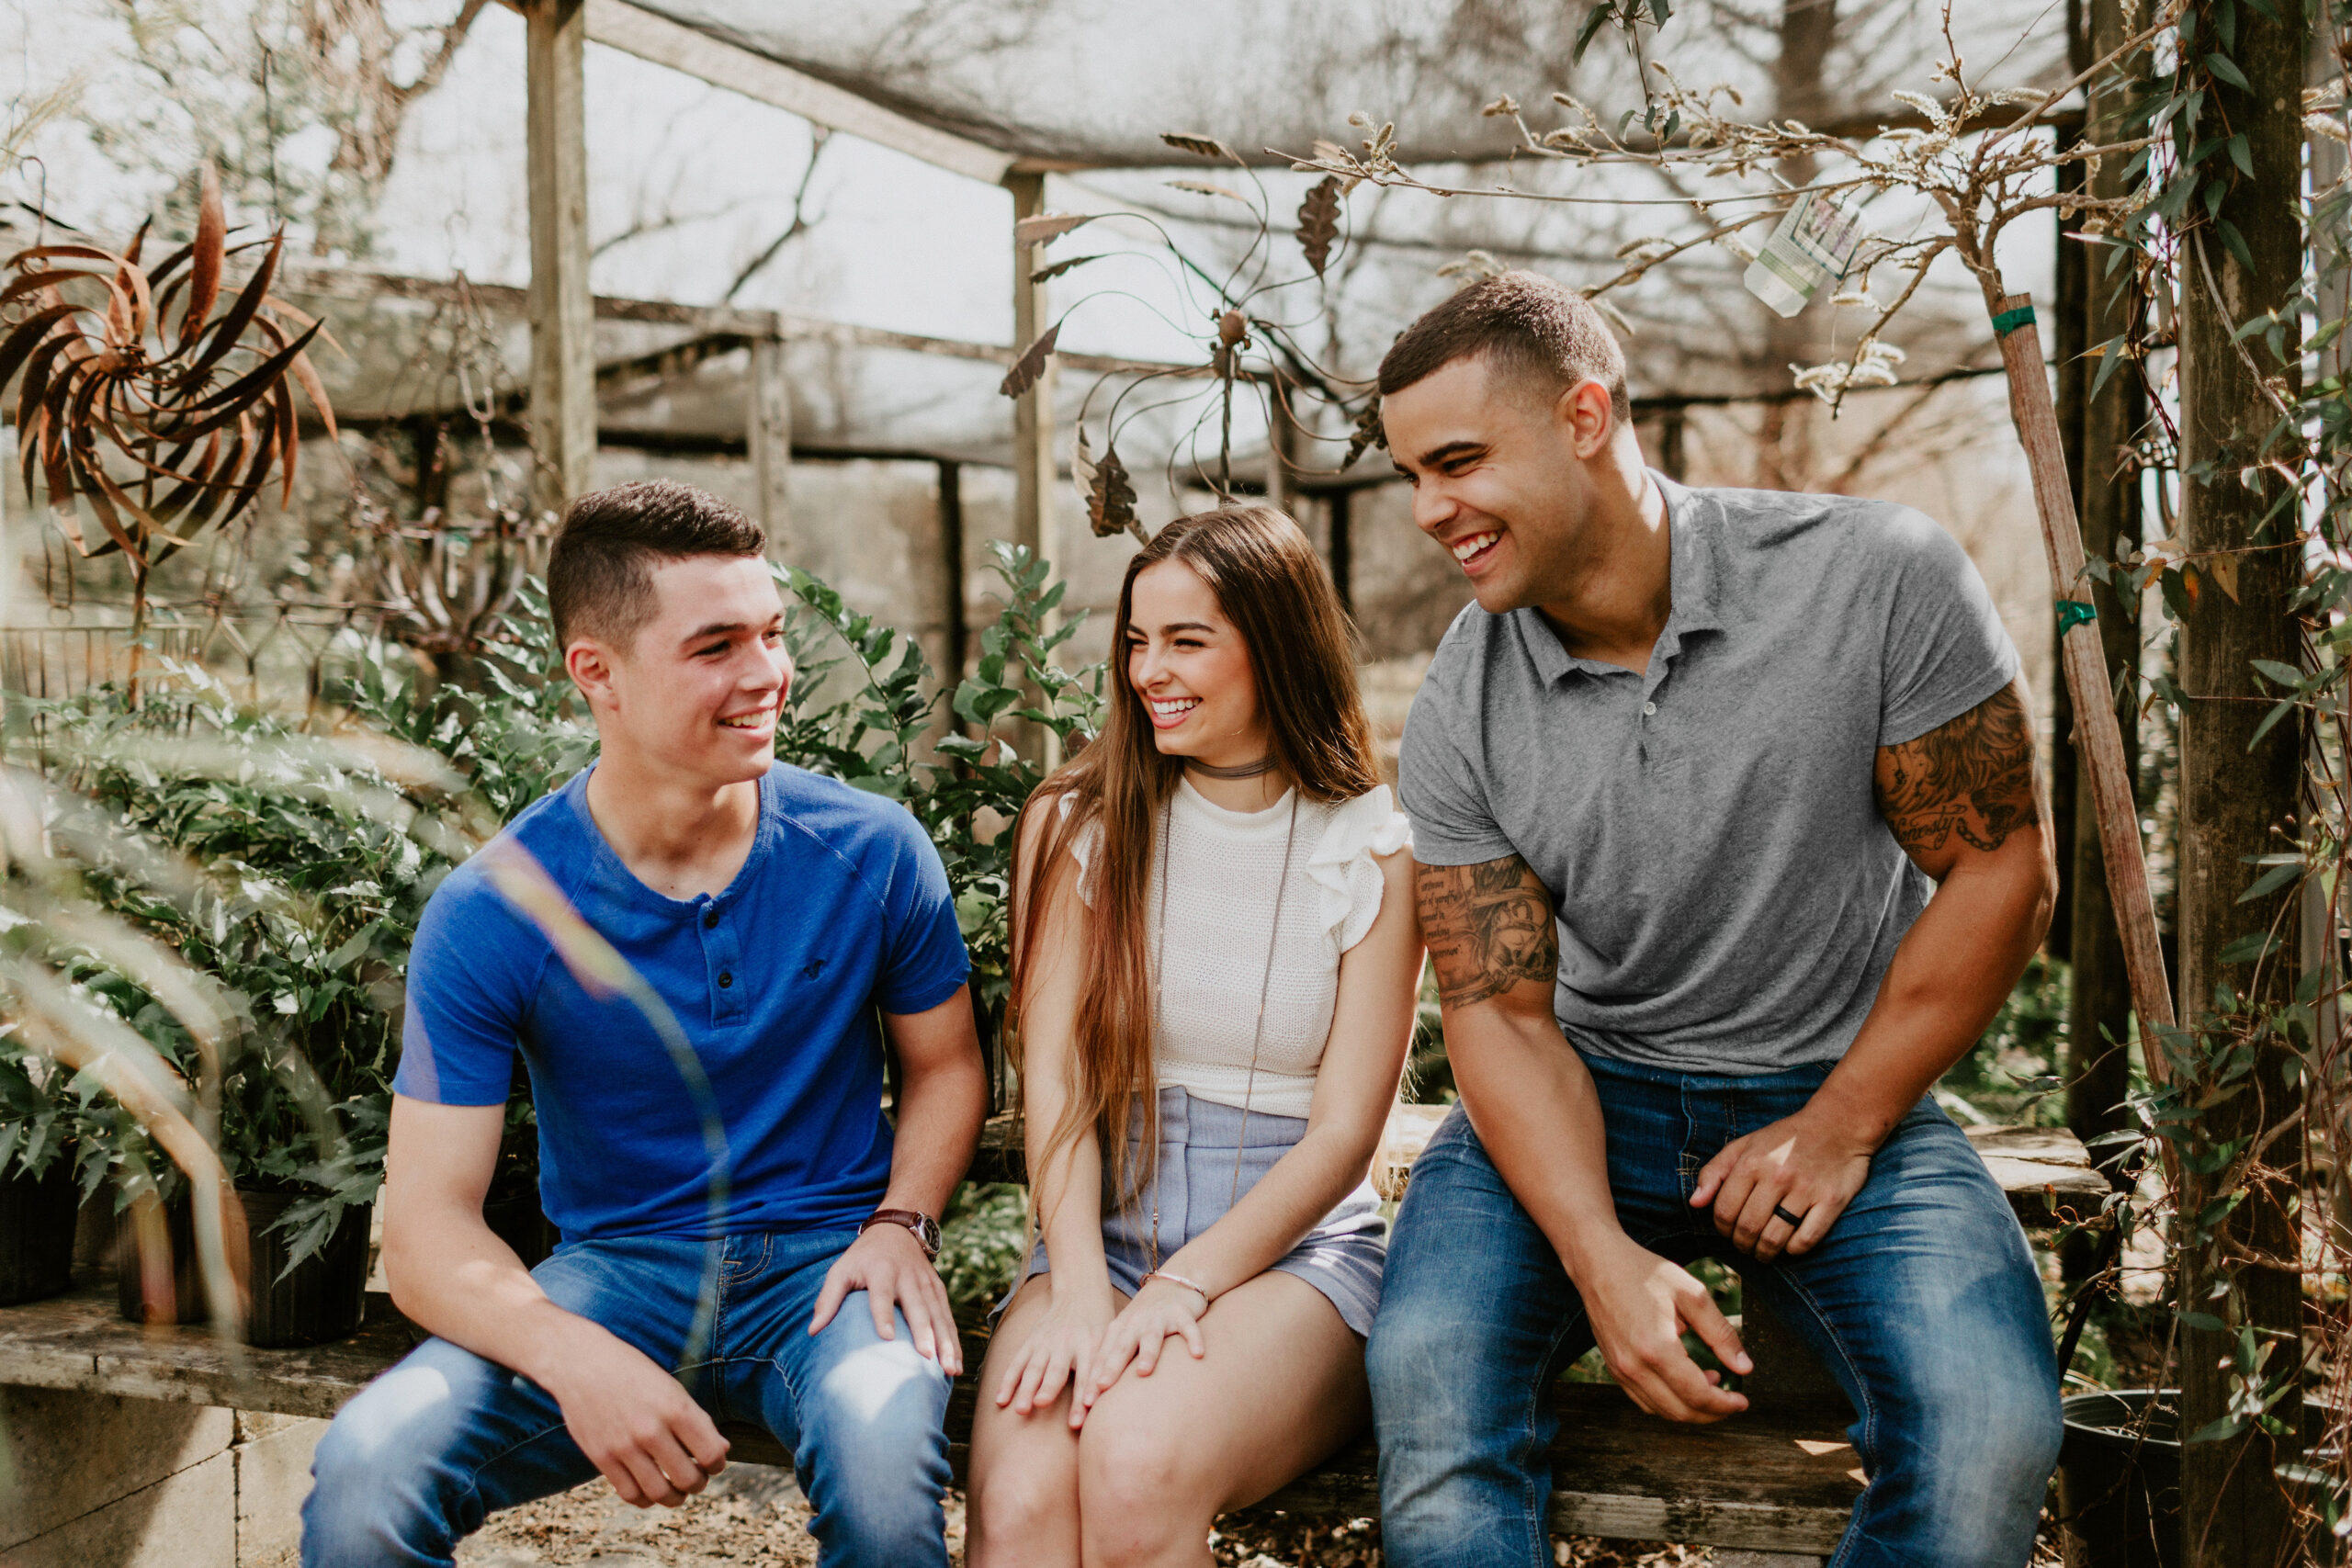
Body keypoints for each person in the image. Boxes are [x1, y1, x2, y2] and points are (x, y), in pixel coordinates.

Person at [1364, 272, 2064, 1568]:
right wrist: (1597, 1255)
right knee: (1428, 1377)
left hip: (1838, 1082)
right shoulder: (1466, 686)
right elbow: (1499, 1012)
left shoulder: (1875, 577)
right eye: (1411, 473)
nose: (1430, 511)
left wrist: (1844, 1122)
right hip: (1590, 1090)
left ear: (1584, 414)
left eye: (1458, 461)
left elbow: (2002, 874)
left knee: (1988, 1427)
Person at [303, 480, 987, 1568]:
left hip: (834, 1267)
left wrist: (902, 1223)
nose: (766, 674)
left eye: (770, 634)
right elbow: (427, 1235)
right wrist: (573, 1355)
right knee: (363, 1481)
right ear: (597, 673)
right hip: (617, 1270)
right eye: (716, 646)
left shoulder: (871, 849)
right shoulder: (496, 910)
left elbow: (946, 1067)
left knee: (883, 1473)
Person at [966, 505, 1424, 1568]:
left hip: (1291, 1261)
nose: (1147, 671)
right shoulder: (1075, 822)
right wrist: (1078, 1285)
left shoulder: (1373, 847)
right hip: (1095, 1229)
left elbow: (1344, 1136)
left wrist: (1184, 1285)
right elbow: (1059, 1083)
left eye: (1187, 641)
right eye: (1135, 640)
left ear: (1275, 644)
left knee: (1135, 1460)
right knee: (1024, 1496)